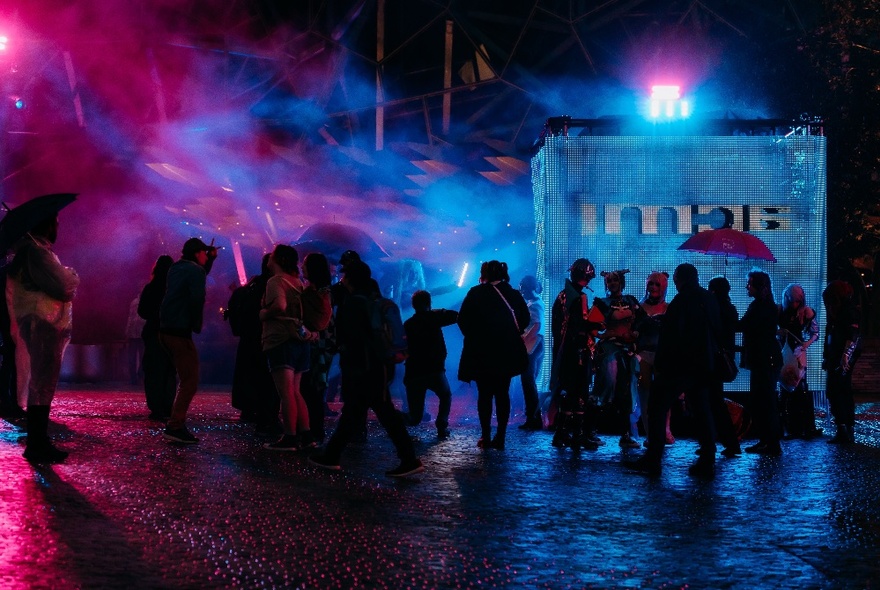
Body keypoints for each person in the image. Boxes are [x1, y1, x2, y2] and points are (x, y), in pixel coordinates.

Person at [309, 260, 424, 477]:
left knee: (381, 412)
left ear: (351, 279)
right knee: (356, 411)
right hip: (379, 366)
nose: (342, 280)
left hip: (361, 367)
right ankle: (332, 455)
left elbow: (347, 337)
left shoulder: (353, 303)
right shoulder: (380, 302)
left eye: (344, 276)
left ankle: (409, 459)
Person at [625, 263, 722, 478]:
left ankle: (653, 458)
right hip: (704, 365)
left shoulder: (680, 302)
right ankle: (708, 458)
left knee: (657, 407)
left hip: (680, 366)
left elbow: (671, 337)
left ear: (678, 280)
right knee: (702, 410)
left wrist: (663, 364)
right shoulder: (708, 299)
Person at [6, 213, 79, 462]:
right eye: (55, 222)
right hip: (44, 324)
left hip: (40, 323)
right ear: (46, 224)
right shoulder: (37, 253)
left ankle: (39, 440)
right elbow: (63, 286)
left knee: (42, 382)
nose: (58, 225)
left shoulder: (31, 252)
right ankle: (38, 443)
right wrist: (71, 275)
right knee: (42, 382)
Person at [458, 260, 530, 450]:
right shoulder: (514, 294)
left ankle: (486, 435)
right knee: (502, 393)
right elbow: (525, 319)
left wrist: (475, 338)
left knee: (484, 395)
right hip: (506, 353)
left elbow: (463, 320)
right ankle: (501, 436)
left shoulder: (475, 293)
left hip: (482, 353)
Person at [159, 237, 218, 444]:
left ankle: (175, 422)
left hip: (165, 329)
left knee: (182, 376)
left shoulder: (176, 268)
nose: (206, 255)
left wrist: (209, 261)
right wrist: (196, 324)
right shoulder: (196, 271)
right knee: (190, 380)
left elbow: (197, 275)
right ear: (197, 253)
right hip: (179, 331)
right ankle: (175, 426)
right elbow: (197, 297)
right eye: (204, 252)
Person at [260, 244, 313, 451]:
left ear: (279, 260)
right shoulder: (298, 282)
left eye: (272, 256)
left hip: (280, 339)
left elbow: (280, 306)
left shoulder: (276, 281)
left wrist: (263, 314)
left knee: (286, 392)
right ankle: (307, 435)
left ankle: (290, 436)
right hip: (300, 340)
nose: (269, 259)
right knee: (296, 391)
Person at [550, 258, 604, 450]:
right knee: (578, 392)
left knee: (574, 393)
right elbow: (578, 326)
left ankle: (566, 433)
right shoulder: (575, 297)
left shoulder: (564, 295)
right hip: (576, 352)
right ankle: (573, 434)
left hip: (569, 352)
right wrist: (595, 319)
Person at [226, 254, 279, 434]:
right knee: (265, 376)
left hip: (250, 337)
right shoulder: (272, 285)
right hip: (266, 337)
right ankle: (265, 414)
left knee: (250, 373)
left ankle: (250, 408)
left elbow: (237, 306)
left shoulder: (253, 285)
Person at [593, 269, 644, 449]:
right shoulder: (602, 303)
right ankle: (590, 431)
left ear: (621, 282)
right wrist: (608, 334)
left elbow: (642, 323)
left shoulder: (631, 301)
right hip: (610, 349)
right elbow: (593, 328)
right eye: (609, 281)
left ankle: (626, 434)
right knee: (607, 384)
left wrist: (635, 334)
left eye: (615, 280)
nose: (612, 283)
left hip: (628, 350)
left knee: (628, 387)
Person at [403, 289, 458, 439]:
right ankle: (441, 426)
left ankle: (391, 420)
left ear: (413, 305)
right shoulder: (435, 318)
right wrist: (436, 311)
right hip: (434, 369)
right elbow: (456, 316)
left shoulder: (408, 324)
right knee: (445, 395)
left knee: (415, 418)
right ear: (429, 303)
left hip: (414, 371)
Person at [740, 270, 783, 455]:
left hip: (764, 360)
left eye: (750, 284)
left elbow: (743, 326)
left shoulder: (760, 307)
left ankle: (771, 442)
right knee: (764, 401)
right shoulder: (765, 306)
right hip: (767, 359)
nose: (747, 286)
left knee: (765, 401)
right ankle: (767, 440)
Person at [777, 283, 821, 439]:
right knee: (785, 389)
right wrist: (778, 332)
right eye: (793, 300)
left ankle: (807, 427)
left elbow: (815, 333)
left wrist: (805, 345)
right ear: (787, 297)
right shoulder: (779, 310)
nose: (795, 304)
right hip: (783, 351)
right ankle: (788, 427)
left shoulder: (806, 312)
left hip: (798, 352)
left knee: (801, 389)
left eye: (798, 301)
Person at [706, 276, 743, 456]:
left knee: (714, 403)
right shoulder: (731, 309)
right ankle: (720, 441)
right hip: (724, 360)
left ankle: (727, 442)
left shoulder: (714, 309)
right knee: (715, 401)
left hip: (713, 361)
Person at [299, 252, 333, 446]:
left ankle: (314, 431)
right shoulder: (321, 291)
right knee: (313, 388)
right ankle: (314, 430)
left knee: (311, 388)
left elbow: (320, 322)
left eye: (304, 263)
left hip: (316, 346)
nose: (301, 267)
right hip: (320, 346)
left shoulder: (319, 292)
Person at [634, 271, 671, 445]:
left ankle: (664, 430)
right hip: (644, 355)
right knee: (645, 395)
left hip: (663, 355)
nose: (654, 288)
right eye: (651, 284)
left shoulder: (668, 308)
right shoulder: (639, 308)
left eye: (657, 284)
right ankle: (650, 434)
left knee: (664, 396)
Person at [822, 280, 861, 445]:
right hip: (836, 355)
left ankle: (844, 428)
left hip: (840, 356)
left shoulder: (847, 313)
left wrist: (845, 355)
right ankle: (845, 428)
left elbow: (852, 335)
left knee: (837, 390)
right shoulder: (839, 313)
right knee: (840, 390)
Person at [137, 255, 176, 421]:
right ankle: (167, 406)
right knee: (169, 371)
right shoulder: (174, 288)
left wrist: (155, 316)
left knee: (154, 371)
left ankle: (156, 406)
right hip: (172, 333)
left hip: (153, 333)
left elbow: (142, 311)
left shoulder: (150, 288)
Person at [518, 275, 545, 431]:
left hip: (533, 346)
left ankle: (534, 418)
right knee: (528, 382)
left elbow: (536, 326)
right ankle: (532, 416)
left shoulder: (535, 304)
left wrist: (524, 342)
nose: (521, 289)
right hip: (533, 345)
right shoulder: (533, 303)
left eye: (523, 287)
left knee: (528, 382)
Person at [125, 294, 146, 385]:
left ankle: (140, 374)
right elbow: (130, 317)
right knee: (132, 357)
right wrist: (127, 330)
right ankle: (133, 378)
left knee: (143, 357)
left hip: (142, 333)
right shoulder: (134, 302)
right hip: (134, 333)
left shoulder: (147, 302)